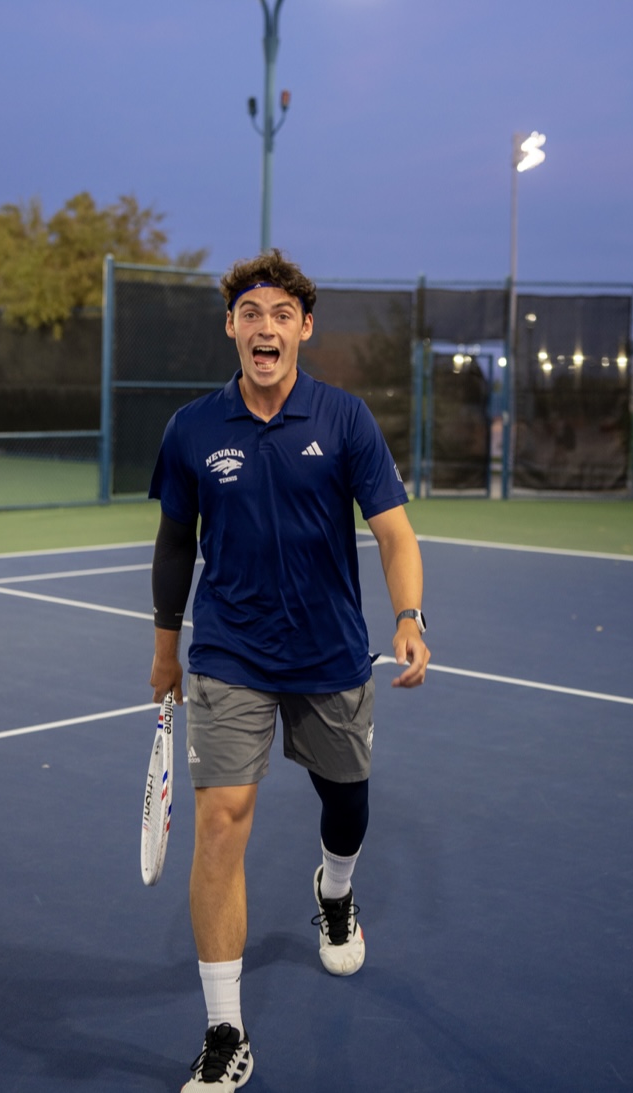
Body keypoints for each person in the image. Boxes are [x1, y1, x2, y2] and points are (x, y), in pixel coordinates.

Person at [148, 249, 430, 1090]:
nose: (264, 326)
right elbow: (173, 542)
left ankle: (334, 886)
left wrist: (409, 616)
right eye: (249, 312)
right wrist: (166, 645)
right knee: (223, 822)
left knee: (347, 800)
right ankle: (225, 1030)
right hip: (230, 650)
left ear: (304, 329)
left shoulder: (343, 420)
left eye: (281, 314)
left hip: (330, 650)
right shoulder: (193, 428)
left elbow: (394, 531)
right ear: (231, 327)